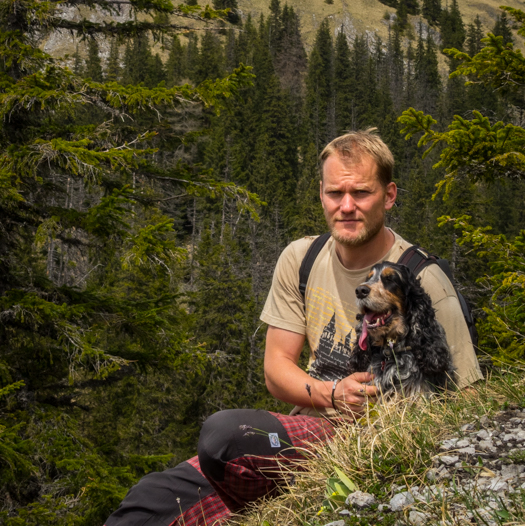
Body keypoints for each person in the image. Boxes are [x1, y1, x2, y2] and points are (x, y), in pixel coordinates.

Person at [105, 129, 482, 526]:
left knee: (226, 437)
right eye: (336, 193)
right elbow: (276, 368)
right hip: (307, 429)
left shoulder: (425, 279)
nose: (347, 206)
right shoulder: (301, 258)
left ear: (389, 195)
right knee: (146, 504)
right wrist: (332, 393)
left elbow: (469, 399)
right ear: (321, 193)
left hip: (373, 442)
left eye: (362, 193)